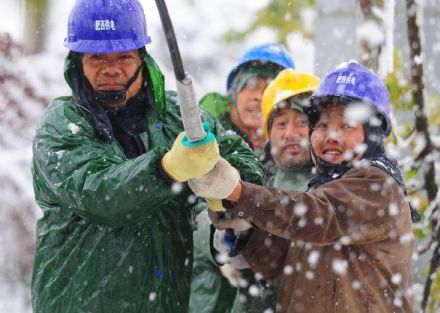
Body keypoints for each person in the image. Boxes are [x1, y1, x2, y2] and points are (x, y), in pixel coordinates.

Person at [30, 1, 264, 312]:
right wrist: (166, 169)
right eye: (97, 57)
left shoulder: (179, 118)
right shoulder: (61, 123)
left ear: (143, 59)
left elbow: (241, 158)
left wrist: (230, 186)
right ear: (77, 62)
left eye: (124, 57)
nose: (111, 68)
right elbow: (101, 194)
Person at [188, 60, 420, 313]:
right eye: (321, 125)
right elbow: (274, 261)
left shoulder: (378, 186)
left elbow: (317, 215)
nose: (331, 135)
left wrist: (239, 193)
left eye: (346, 125)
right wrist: (243, 229)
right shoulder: (321, 190)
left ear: (372, 134)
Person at [189, 43, 294, 313]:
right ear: (234, 90)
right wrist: (218, 234)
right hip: (207, 290)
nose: (259, 96)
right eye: (251, 85)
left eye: (270, 88)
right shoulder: (206, 137)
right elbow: (195, 208)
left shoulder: (289, 151)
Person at [220, 69, 321, 313]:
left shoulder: (334, 182)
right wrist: (225, 236)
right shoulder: (252, 175)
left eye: (301, 122)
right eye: (281, 124)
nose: (290, 133)